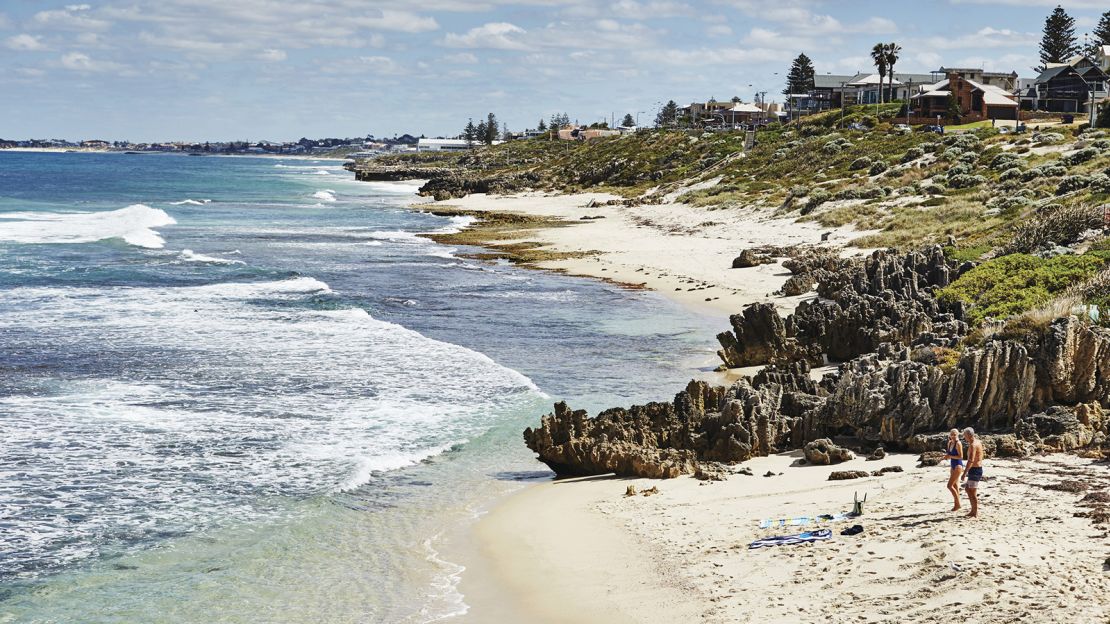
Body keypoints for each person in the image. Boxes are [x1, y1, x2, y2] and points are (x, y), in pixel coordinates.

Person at [960, 427, 984, 518]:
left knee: (972, 491)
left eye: (965, 436)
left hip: (975, 470)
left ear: (969, 435)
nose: (964, 438)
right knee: (967, 489)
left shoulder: (973, 445)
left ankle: (975, 512)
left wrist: (964, 472)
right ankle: (973, 510)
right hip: (975, 469)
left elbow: (971, 460)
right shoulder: (977, 442)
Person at [943, 429, 964, 511]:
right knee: (955, 485)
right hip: (952, 465)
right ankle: (956, 504)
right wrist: (946, 456)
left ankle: (958, 504)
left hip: (958, 465)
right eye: (952, 434)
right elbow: (949, 454)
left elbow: (961, 456)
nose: (953, 436)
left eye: (955, 434)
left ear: (958, 435)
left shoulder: (958, 443)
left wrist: (950, 457)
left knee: (949, 485)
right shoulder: (949, 443)